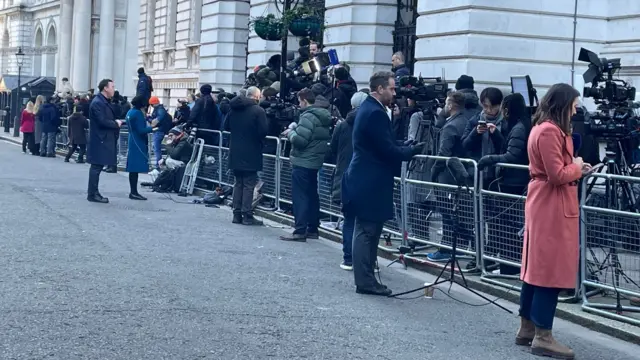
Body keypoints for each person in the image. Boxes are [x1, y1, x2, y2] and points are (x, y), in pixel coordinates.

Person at [517, 83, 590, 359]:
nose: (575, 109)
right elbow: (558, 174)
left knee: (535, 268)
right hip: (552, 203)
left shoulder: (542, 127)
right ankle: (543, 335)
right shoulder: (549, 130)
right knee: (548, 271)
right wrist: (578, 167)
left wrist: (574, 167)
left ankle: (527, 328)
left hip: (545, 200)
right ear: (563, 104)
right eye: (573, 104)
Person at [342, 71, 424, 296]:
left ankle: (366, 279)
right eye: (392, 88)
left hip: (365, 177)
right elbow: (385, 150)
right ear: (379, 89)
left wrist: (402, 145)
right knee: (367, 232)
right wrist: (409, 151)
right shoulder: (375, 112)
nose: (394, 92)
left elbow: (382, 143)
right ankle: (366, 281)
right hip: (369, 180)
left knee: (368, 231)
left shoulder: (370, 109)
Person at [279, 88, 332, 242]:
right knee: (311, 195)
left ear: (304, 100)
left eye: (299, 101)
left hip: (303, 160)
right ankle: (312, 228)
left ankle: (300, 229)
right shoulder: (322, 116)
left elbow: (300, 141)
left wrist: (290, 133)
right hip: (314, 161)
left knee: (300, 196)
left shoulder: (308, 116)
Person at [327, 91, 368, 271]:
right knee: (367, 223)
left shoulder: (342, 125)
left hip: (346, 176)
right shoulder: (371, 123)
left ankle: (349, 258)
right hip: (366, 176)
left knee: (349, 219)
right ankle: (366, 260)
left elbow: (333, 149)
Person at [224, 86, 268, 225]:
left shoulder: (234, 109)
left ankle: (236, 214)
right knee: (249, 184)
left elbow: (226, 127)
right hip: (251, 150)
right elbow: (263, 131)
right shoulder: (258, 111)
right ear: (256, 96)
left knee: (238, 183)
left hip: (235, 150)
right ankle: (247, 214)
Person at [87, 79, 124, 204]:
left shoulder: (104, 102)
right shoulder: (98, 103)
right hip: (100, 139)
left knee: (97, 166)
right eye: (112, 87)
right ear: (105, 88)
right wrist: (115, 123)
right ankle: (92, 193)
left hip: (103, 138)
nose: (114, 89)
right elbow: (102, 121)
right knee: (96, 166)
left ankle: (93, 193)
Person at [126, 95, 155, 200]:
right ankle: (133, 192)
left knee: (133, 168)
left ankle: (133, 191)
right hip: (138, 141)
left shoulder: (130, 111)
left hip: (132, 140)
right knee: (135, 168)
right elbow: (141, 130)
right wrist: (153, 128)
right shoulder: (138, 113)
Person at [149, 96, 172, 170]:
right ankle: (160, 164)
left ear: (153, 104)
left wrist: (150, 120)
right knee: (161, 148)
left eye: (151, 105)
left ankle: (158, 165)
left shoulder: (159, 110)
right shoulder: (161, 110)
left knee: (157, 149)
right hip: (163, 131)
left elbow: (154, 123)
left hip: (159, 132)